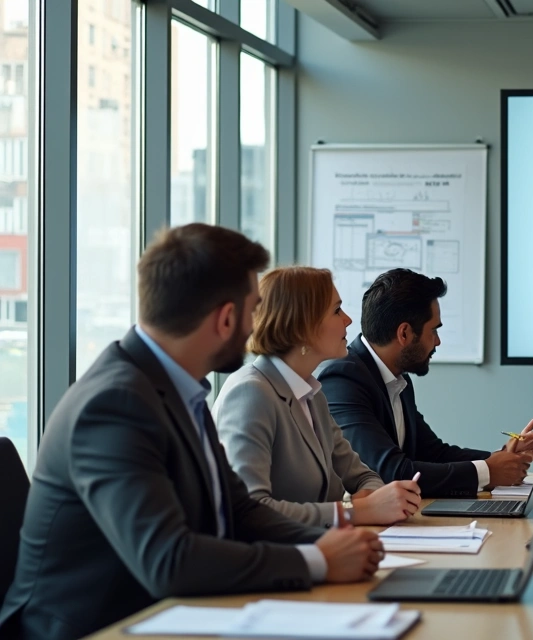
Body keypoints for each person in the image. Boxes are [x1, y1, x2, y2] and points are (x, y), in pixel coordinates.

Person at [0, 225, 384, 640]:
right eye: (254, 308)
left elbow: (240, 511)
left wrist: (339, 544)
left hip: (175, 614)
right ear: (225, 318)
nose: (260, 324)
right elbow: (169, 560)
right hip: (99, 627)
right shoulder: (114, 405)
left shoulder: (178, 389)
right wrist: (315, 559)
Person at [215, 266, 422, 528]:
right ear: (303, 326)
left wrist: (372, 498)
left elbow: (363, 476)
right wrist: (353, 512)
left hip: (320, 551)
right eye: (337, 310)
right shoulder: (250, 393)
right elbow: (248, 510)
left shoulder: (311, 394)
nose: (348, 320)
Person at [318, 268, 533, 498]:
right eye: (434, 331)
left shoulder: (397, 378)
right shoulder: (343, 380)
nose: (437, 341)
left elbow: (432, 453)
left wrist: (502, 457)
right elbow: (388, 472)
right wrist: (488, 471)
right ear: (404, 334)